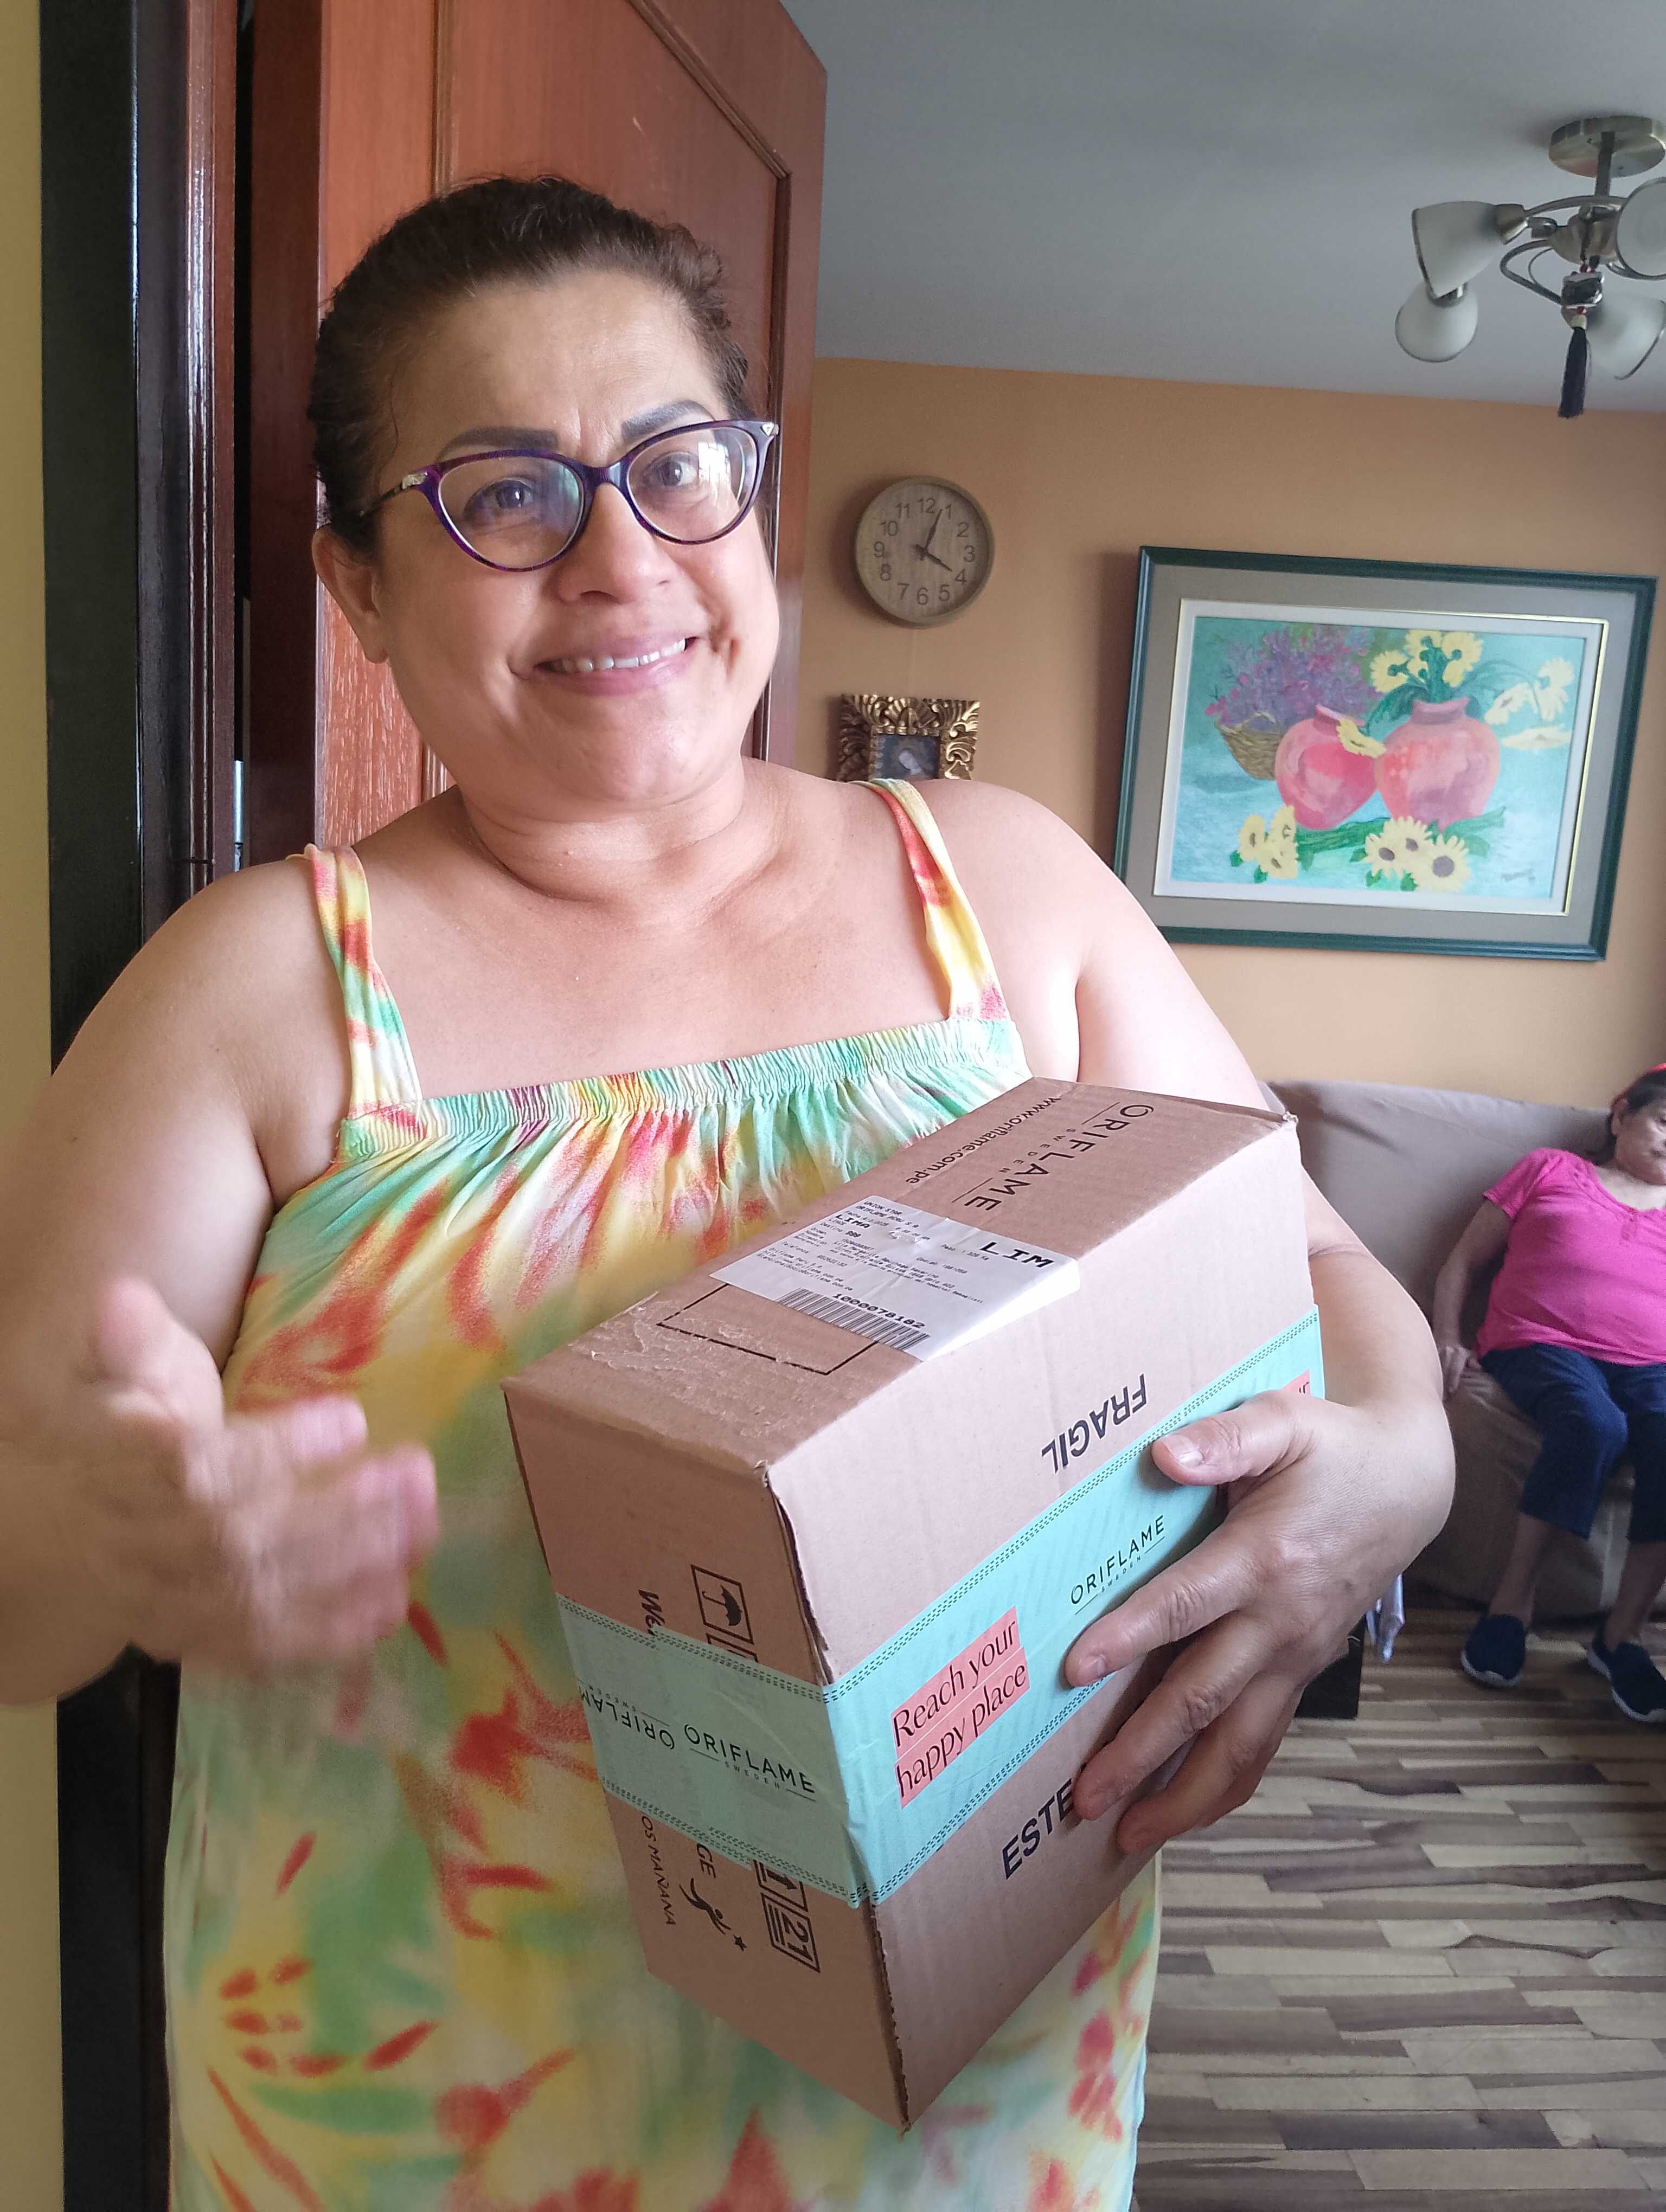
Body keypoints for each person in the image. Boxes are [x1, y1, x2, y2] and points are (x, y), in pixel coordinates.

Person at [0, 176, 1450, 2212]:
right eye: (504, 495)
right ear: (356, 585)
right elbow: (19, 1573)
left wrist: (1397, 1464)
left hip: (960, 2089)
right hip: (419, 2095)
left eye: (677, 465)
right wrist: (110, 1538)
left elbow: (1307, 1260)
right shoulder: (249, 991)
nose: (621, 559)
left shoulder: (1003, 891)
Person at [1438, 1065, 1666, 1723]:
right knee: (1594, 1425)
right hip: (1539, 1343)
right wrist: (1447, 1336)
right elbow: (1463, 1261)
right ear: (1621, 1114)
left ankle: (1621, 1639)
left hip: (1652, 1365)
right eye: (1664, 1122)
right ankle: (1511, 1608)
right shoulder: (1550, 1169)